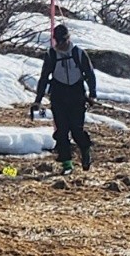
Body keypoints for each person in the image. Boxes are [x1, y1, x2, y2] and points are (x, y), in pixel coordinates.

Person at [32, 22, 97, 175]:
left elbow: (90, 74)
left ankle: (85, 149)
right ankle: (67, 164)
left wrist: (92, 94)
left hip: (76, 95)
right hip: (58, 95)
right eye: (57, 41)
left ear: (68, 39)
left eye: (63, 41)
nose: (60, 44)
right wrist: (38, 100)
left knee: (76, 130)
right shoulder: (51, 55)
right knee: (61, 131)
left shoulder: (79, 54)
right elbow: (44, 77)